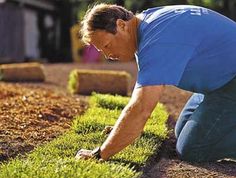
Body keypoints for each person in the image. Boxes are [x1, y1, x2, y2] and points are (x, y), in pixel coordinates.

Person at [76, 3, 236, 163]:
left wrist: (100, 154)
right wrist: (122, 131)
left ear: (121, 25)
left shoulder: (157, 40)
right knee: (181, 132)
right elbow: (142, 98)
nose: (107, 55)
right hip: (218, 84)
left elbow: (140, 108)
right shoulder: (147, 25)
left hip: (231, 82)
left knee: (192, 148)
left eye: (107, 45)